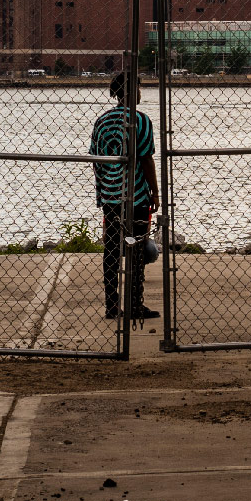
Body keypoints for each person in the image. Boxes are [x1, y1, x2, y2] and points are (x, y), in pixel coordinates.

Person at [90, 71, 160, 321]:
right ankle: (134, 303)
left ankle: (111, 305)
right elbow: (146, 159)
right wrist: (155, 192)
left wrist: (103, 189)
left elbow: (96, 159)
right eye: (139, 88)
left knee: (111, 249)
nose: (141, 93)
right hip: (136, 194)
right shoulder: (141, 120)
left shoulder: (102, 121)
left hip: (110, 195)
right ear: (132, 92)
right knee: (137, 250)